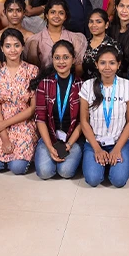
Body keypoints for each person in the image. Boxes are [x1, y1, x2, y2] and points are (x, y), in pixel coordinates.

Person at [0, 29, 39, 174]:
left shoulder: (32, 70)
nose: (12, 50)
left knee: (17, 168)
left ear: (23, 47)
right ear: (1, 48)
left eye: (16, 45)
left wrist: (6, 124)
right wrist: (4, 137)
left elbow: (32, 108)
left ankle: (16, 159)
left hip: (23, 122)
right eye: (8, 46)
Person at [79, 46, 129, 187]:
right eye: (103, 63)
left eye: (112, 63)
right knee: (92, 180)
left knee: (118, 181)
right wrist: (97, 149)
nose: (107, 67)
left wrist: (117, 149)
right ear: (97, 65)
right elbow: (84, 122)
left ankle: (110, 162)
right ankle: (101, 162)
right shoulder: (88, 85)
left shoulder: (127, 85)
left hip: (119, 142)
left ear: (118, 64)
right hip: (95, 142)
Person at [31, 41, 84, 180]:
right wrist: (49, 146)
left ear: (73, 59)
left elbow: (83, 122)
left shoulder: (81, 85)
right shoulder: (45, 83)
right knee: (44, 172)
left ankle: (76, 156)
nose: (61, 62)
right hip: (51, 137)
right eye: (57, 57)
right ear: (52, 59)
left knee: (65, 172)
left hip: (73, 139)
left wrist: (69, 144)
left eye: (66, 57)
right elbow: (40, 118)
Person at [25, 0, 87, 72]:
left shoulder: (76, 38)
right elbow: (32, 70)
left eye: (61, 13)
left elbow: (78, 70)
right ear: (47, 15)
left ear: (65, 17)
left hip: (70, 81)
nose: (56, 16)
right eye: (53, 12)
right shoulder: (34, 40)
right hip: (43, 82)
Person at [0, 0, 34, 67]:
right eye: (10, 10)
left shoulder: (31, 37)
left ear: (24, 12)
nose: (14, 14)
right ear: (4, 12)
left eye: (18, 10)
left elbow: (35, 64)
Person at [83, 8, 122, 79]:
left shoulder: (113, 45)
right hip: (85, 85)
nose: (94, 25)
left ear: (106, 24)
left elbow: (117, 70)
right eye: (91, 21)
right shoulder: (84, 43)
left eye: (98, 22)